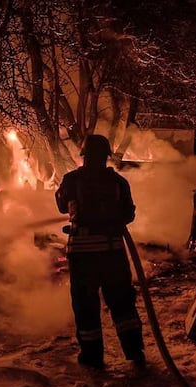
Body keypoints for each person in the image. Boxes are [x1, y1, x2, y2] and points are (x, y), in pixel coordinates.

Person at [55, 134, 145, 370]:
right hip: (112, 253)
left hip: (82, 257)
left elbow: (61, 204)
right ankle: (135, 352)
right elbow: (129, 214)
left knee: (86, 307)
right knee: (122, 304)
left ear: (84, 156)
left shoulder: (71, 180)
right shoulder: (118, 183)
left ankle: (92, 357)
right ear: (106, 156)